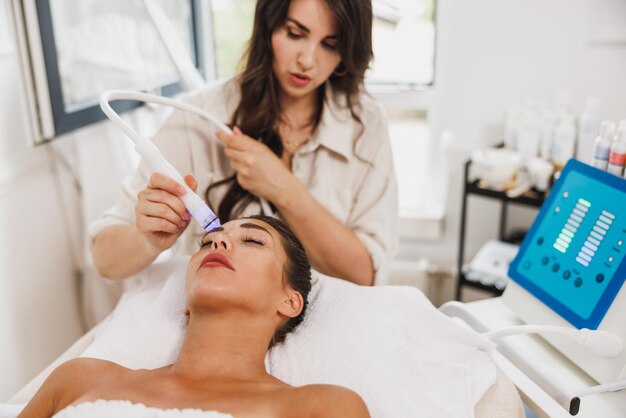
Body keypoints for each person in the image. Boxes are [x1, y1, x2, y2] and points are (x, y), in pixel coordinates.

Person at [90, 0, 398, 286]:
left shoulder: (366, 126)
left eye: (330, 45)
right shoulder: (200, 116)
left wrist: (286, 190)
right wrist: (148, 240)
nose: (307, 60)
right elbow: (104, 260)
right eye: (294, 34)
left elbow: (365, 276)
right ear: (269, 25)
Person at [19, 216, 370, 418]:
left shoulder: (323, 407)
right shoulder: (80, 378)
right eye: (206, 242)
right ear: (185, 301)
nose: (218, 244)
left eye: (252, 241)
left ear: (290, 301)